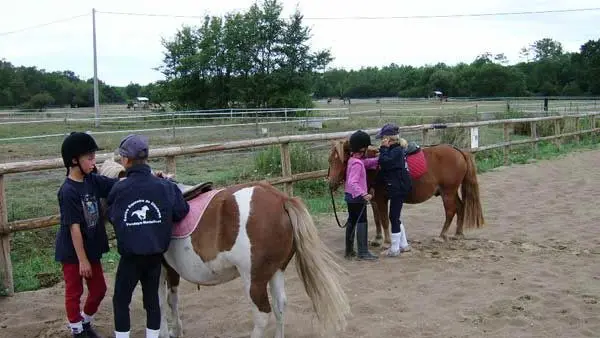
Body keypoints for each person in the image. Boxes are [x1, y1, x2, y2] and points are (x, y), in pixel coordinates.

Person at [107, 134, 190, 338]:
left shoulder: (119, 188)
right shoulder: (165, 187)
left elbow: (112, 216)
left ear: (126, 160)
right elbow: (181, 211)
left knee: (121, 301)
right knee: (152, 300)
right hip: (154, 256)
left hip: (131, 258)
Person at [56, 131, 120, 338]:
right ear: (74, 160)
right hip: (73, 252)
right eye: (89, 158)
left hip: (91, 247)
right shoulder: (68, 191)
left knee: (99, 289)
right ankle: (77, 331)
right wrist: (82, 260)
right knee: (74, 292)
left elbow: (116, 185)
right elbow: (73, 227)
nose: (94, 162)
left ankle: (84, 321)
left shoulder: (92, 180)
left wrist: (147, 178)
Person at [376, 123, 412, 257]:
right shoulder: (396, 149)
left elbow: (385, 162)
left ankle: (395, 249)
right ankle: (404, 245)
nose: (381, 141)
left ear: (388, 139)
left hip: (398, 186)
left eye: (383, 139)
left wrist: (383, 149)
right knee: (395, 216)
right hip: (397, 185)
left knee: (393, 216)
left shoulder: (396, 151)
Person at [344, 130, 379, 261]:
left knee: (352, 221)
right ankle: (363, 252)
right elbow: (353, 182)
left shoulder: (353, 160)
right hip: (357, 198)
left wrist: (378, 160)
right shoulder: (358, 164)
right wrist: (364, 194)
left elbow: (367, 163)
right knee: (362, 221)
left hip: (350, 197)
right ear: (363, 148)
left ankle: (349, 250)